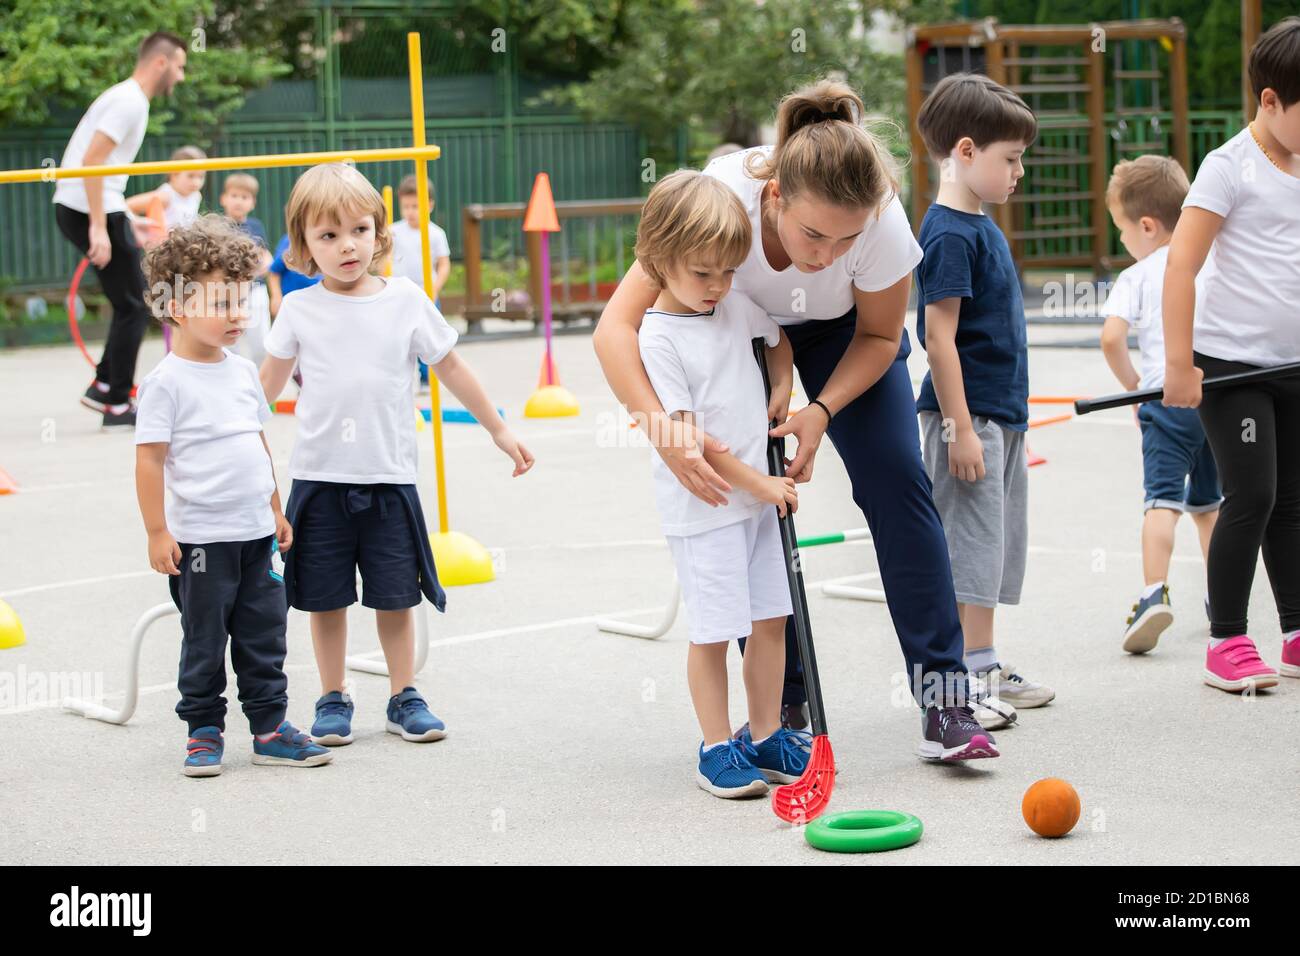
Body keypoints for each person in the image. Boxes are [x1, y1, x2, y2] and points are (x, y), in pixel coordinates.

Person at [594, 79, 996, 763]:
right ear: (774, 194)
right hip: (741, 332)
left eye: (846, 240)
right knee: (755, 507)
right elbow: (617, 327)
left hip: (845, 339)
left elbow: (877, 337)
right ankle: (779, 702)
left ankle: (945, 699)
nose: (825, 255)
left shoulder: (885, 222)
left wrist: (820, 409)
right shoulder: (720, 195)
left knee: (898, 481)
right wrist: (665, 433)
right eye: (813, 234)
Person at [257, 163, 535, 745]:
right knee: (324, 599)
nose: (346, 246)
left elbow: (451, 366)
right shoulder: (299, 310)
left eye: (358, 229)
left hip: (387, 477)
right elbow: (263, 392)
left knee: (395, 594)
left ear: (379, 232)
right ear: (303, 245)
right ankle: (333, 696)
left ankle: (403, 694)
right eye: (327, 236)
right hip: (318, 477)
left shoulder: (406, 300)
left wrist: (498, 429)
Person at [134, 215, 332, 776]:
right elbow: (148, 460)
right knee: (205, 637)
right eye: (221, 303)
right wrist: (156, 531)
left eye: (240, 301)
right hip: (201, 542)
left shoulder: (244, 372)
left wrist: (274, 509)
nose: (237, 315)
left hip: (256, 536)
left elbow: (255, 443)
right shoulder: (166, 383)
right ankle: (203, 729)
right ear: (177, 307)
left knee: (264, 634)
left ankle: (270, 728)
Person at [634, 169, 805, 798]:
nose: (718, 286)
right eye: (702, 273)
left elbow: (778, 343)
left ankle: (764, 735)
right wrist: (760, 484)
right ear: (658, 259)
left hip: (757, 505)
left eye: (728, 272)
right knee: (712, 631)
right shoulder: (657, 336)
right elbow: (694, 441)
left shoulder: (735, 303)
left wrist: (782, 386)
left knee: (770, 620)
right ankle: (714, 747)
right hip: (707, 506)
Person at [1162, 17, 1300, 692]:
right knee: (1253, 494)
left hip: (1294, 365)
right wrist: (1180, 363)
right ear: (1269, 101)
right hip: (1233, 366)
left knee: (1296, 499)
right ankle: (1228, 642)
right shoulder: (1228, 166)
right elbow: (1180, 267)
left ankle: (1296, 634)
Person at [912, 72, 1053, 733]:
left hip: (1001, 415)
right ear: (965, 152)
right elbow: (937, 338)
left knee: (993, 544)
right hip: (963, 420)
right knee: (968, 546)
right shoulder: (947, 233)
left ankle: (985, 662)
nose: (1018, 171)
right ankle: (962, 679)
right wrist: (961, 430)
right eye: (1011, 158)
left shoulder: (981, 224)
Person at [1099, 156, 1219, 654]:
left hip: (1163, 400)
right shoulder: (1208, 262)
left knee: (1161, 501)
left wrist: (1133, 387)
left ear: (1146, 226)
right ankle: (1222, 594)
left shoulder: (1139, 275)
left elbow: (1111, 339)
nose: (1123, 241)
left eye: (1122, 231)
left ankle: (1154, 593)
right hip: (1214, 398)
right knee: (1210, 506)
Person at [54, 30, 188, 429]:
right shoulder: (129, 101)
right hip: (86, 209)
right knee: (134, 304)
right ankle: (115, 401)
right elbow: (93, 161)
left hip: (97, 206)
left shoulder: (130, 100)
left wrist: (123, 220)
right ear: (160, 62)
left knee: (128, 301)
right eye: (179, 67)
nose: (181, 77)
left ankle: (104, 386)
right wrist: (99, 225)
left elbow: (102, 171)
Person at [389, 174, 452, 393]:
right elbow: (385, 260)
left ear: (430, 205)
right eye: (405, 206)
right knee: (400, 336)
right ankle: (403, 376)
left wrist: (435, 287)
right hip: (400, 293)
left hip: (426, 292)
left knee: (428, 336)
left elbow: (444, 264)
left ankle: (427, 379)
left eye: (415, 206)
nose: (410, 211)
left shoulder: (436, 234)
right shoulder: (394, 231)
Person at [219, 173, 273, 365]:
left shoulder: (255, 226)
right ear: (223, 198)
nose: (239, 201)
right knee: (228, 345)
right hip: (226, 292)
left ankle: (262, 386)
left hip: (253, 289)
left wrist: (262, 264)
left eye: (245, 197)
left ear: (252, 202)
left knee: (260, 343)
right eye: (234, 196)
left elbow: (264, 258)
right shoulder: (218, 227)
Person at [126, 145, 207, 233]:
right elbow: (126, 206)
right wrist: (139, 225)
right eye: (190, 176)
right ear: (174, 174)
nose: (196, 182)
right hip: (165, 245)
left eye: (201, 176)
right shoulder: (165, 196)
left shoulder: (196, 195)